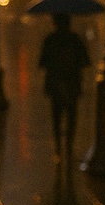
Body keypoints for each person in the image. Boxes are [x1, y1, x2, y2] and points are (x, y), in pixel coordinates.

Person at [38, 13, 90, 160]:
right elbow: (85, 61)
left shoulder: (50, 40)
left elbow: (42, 62)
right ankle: (69, 146)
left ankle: (58, 148)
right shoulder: (75, 40)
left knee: (57, 116)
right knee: (72, 116)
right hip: (72, 84)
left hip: (55, 84)